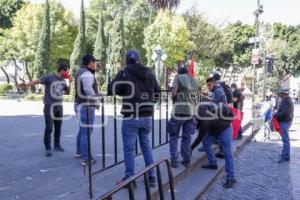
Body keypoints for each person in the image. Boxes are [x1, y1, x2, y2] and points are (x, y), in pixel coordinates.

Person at [107, 50, 160, 188]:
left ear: (126, 60)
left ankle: (130, 179)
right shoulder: (149, 73)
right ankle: (152, 176)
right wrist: (149, 104)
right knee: (146, 147)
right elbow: (157, 93)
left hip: (131, 116)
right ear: (139, 60)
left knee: (129, 149)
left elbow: (111, 89)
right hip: (147, 116)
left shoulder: (124, 73)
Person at [18, 64, 72, 156]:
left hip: (59, 107)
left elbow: (68, 92)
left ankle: (57, 145)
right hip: (49, 106)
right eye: (67, 71)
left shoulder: (63, 81)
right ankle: (48, 147)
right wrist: (26, 84)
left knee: (58, 128)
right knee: (49, 127)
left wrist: (70, 82)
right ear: (62, 71)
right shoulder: (50, 77)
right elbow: (37, 81)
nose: (68, 73)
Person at [191, 103, 236, 188]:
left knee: (227, 153)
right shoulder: (207, 113)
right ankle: (213, 163)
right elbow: (199, 126)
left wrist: (191, 148)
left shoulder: (205, 120)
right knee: (206, 143)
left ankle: (231, 177)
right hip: (214, 130)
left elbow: (199, 137)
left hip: (225, 130)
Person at [168, 67, 199, 168]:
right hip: (191, 111)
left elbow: (174, 93)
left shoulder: (178, 78)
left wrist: (173, 99)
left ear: (179, 73)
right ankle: (186, 160)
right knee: (187, 137)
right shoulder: (194, 80)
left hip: (179, 110)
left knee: (173, 136)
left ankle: (174, 161)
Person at [74, 54, 100, 166]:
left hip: (80, 104)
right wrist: (97, 102)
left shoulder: (80, 71)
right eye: (95, 62)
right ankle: (86, 158)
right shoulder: (87, 73)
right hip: (86, 106)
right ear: (90, 62)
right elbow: (88, 89)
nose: (96, 64)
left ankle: (79, 151)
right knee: (86, 132)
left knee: (82, 130)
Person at [275, 88, 294, 163]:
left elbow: (284, 113)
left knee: (285, 140)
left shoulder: (286, 101)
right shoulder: (287, 100)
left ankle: (286, 156)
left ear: (284, 94)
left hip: (285, 122)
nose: (280, 95)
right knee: (285, 139)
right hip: (286, 121)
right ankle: (284, 154)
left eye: (281, 94)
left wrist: (276, 115)